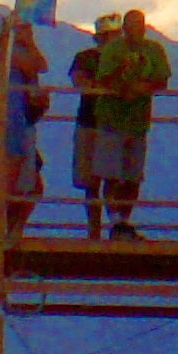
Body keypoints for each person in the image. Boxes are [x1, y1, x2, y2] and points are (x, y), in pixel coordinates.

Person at [91, 9, 168, 240]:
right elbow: (105, 77)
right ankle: (115, 221)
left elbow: (162, 79)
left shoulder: (154, 49)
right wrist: (126, 89)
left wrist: (143, 88)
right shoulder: (113, 49)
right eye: (131, 25)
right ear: (124, 27)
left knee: (133, 176)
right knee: (111, 174)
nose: (135, 29)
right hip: (112, 120)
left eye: (139, 25)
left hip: (138, 121)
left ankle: (123, 221)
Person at [0, 19, 51, 237]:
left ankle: (12, 228)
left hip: (18, 120)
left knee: (30, 184)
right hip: (11, 119)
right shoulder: (5, 50)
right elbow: (40, 65)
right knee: (10, 178)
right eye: (25, 28)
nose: (29, 32)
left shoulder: (0, 52)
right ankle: (3, 231)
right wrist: (29, 43)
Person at [66, 14, 118, 239]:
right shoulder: (86, 58)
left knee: (113, 179)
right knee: (92, 182)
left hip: (112, 124)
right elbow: (80, 82)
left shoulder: (122, 58)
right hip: (91, 123)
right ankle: (96, 229)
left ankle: (114, 226)